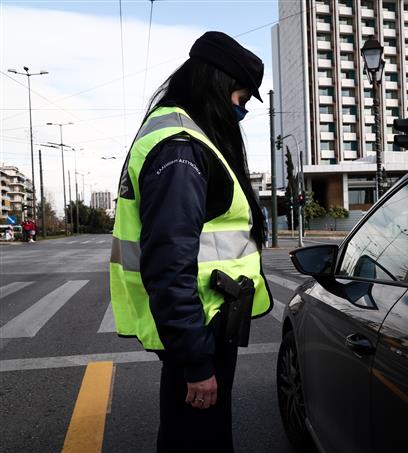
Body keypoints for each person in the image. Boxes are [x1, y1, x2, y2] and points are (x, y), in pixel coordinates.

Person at [109, 31, 273, 453]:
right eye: (241, 98)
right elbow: (168, 264)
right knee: (198, 441)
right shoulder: (182, 148)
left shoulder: (184, 138)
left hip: (205, 324)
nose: (241, 111)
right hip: (201, 327)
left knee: (193, 437)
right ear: (217, 84)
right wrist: (196, 362)